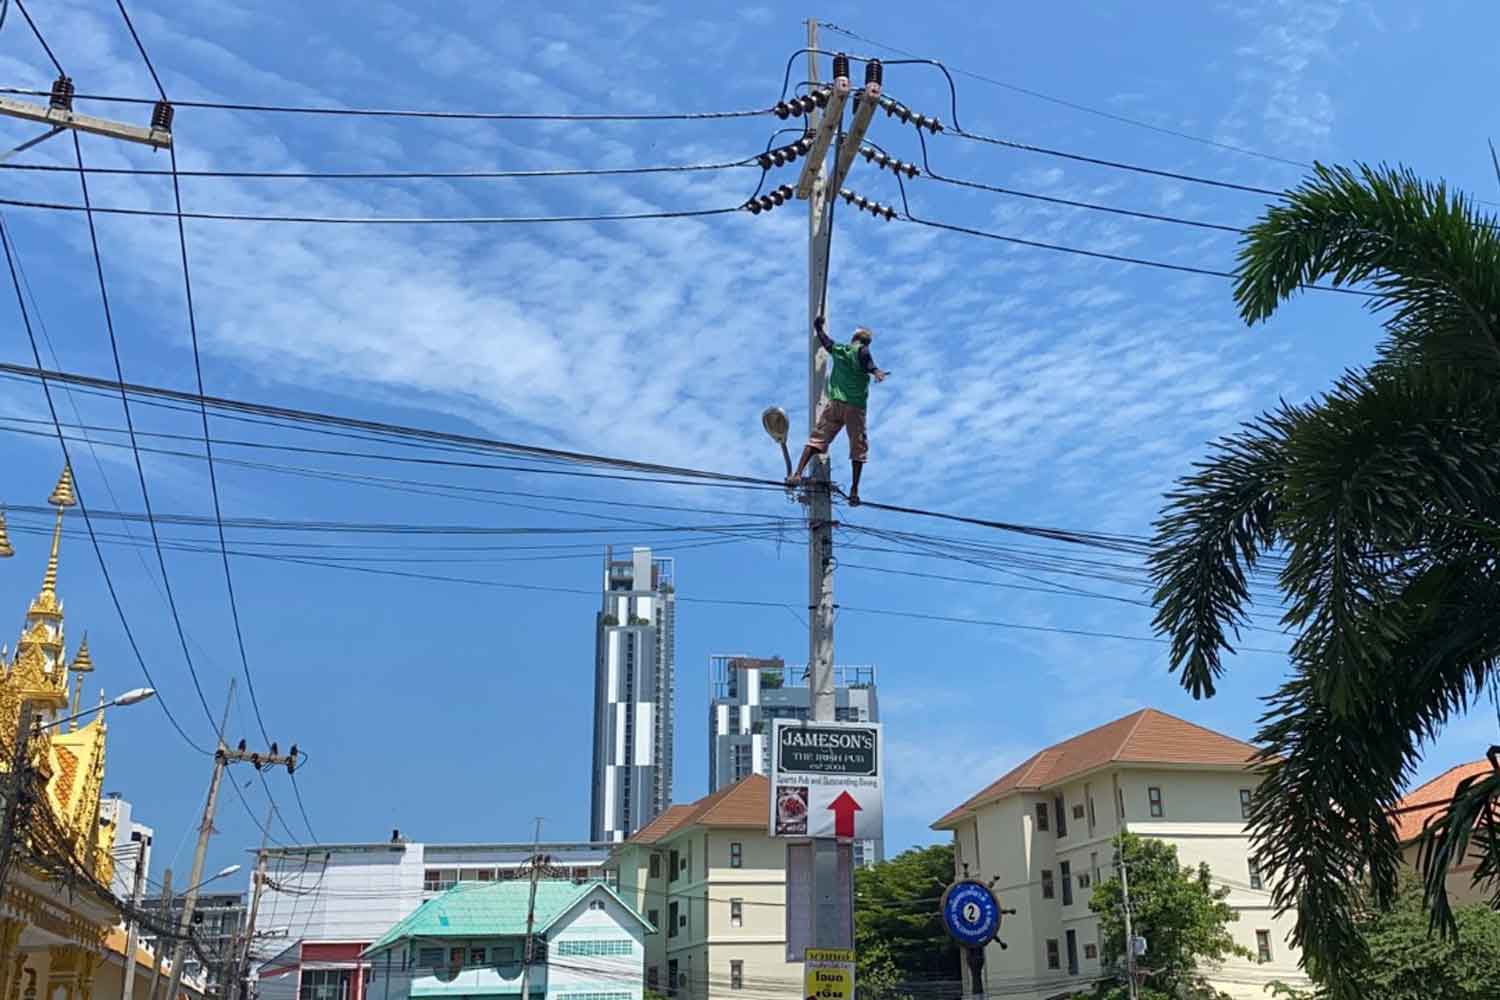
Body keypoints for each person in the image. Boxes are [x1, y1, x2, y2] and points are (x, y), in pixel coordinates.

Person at [787, 315, 888, 505]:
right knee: (858, 449)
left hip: (835, 405)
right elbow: (866, 359)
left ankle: (797, 473)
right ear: (866, 342)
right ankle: (854, 490)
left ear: (854, 339)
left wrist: (818, 328)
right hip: (855, 408)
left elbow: (826, 343)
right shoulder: (862, 350)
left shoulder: (842, 350)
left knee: (816, 439)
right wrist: (876, 372)